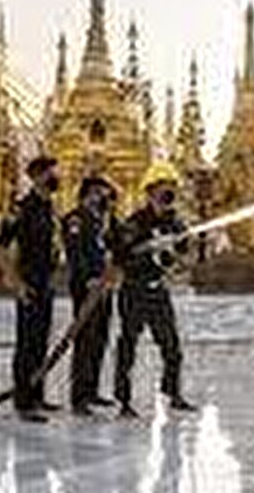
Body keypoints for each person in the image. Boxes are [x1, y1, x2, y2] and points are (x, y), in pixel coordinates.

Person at [111, 161, 196, 417]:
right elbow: (121, 256)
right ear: (150, 191)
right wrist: (149, 247)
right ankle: (124, 400)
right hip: (134, 290)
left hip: (158, 291)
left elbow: (185, 260)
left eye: (172, 187)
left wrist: (178, 256)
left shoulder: (177, 225)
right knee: (128, 344)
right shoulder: (135, 222)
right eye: (163, 187)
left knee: (172, 346)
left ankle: (173, 392)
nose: (169, 192)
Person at [0, 155, 61, 422]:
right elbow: (0, 247)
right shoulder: (22, 208)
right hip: (29, 284)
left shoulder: (49, 208)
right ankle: (24, 401)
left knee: (41, 342)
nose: (56, 177)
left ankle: (38, 395)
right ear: (36, 176)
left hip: (46, 284)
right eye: (51, 173)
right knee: (27, 343)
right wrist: (16, 283)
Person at [62, 174, 120, 415]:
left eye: (105, 194)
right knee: (85, 339)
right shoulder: (75, 219)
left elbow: (112, 247)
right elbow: (75, 253)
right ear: (88, 194)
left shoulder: (101, 221)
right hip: (86, 288)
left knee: (100, 338)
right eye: (100, 193)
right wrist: (89, 279)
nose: (103, 198)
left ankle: (92, 389)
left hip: (104, 287)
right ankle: (79, 397)